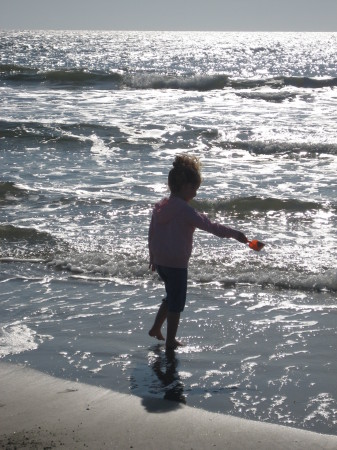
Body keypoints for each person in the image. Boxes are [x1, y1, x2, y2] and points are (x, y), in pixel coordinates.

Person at [148, 154, 248, 350]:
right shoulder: (186, 211)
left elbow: (152, 233)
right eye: (193, 188)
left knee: (171, 296)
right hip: (177, 265)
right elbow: (211, 227)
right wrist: (235, 234)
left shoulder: (160, 207)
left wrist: (152, 256)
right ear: (184, 186)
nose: (195, 193)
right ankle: (170, 340)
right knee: (177, 302)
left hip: (161, 262)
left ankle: (156, 329)